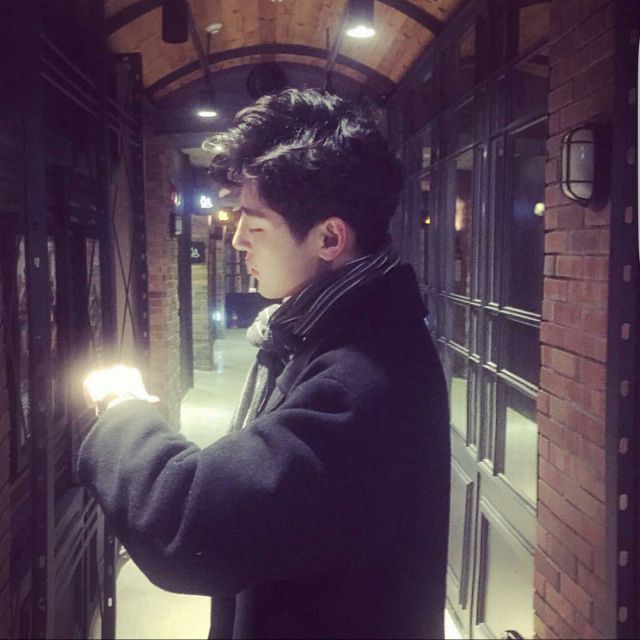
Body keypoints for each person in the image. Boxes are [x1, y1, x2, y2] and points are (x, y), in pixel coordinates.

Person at [78, 88, 450, 639]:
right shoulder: (329, 327)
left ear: (329, 238)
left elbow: (194, 527)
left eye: (254, 224)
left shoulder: (365, 379)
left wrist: (122, 408)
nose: (235, 240)